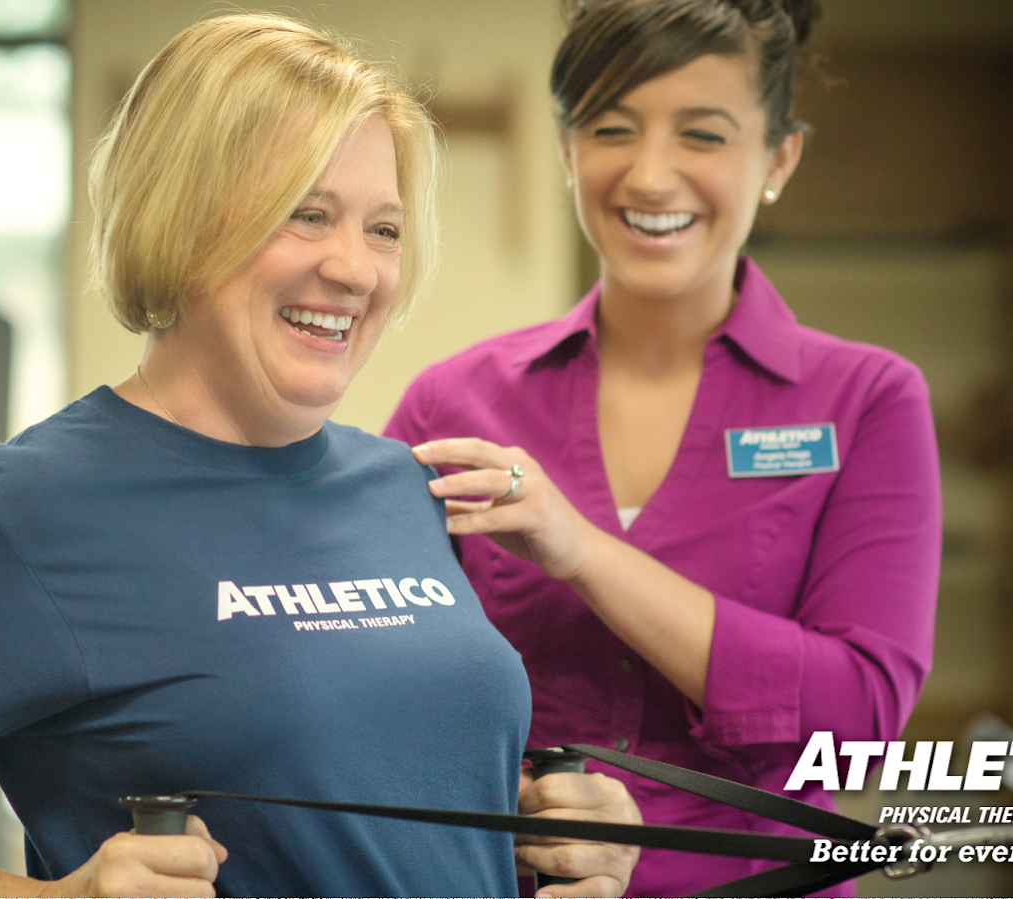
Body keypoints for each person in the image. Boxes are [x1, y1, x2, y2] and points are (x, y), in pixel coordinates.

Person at [0, 14, 640, 898]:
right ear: (184, 218)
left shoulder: (401, 485)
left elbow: (371, 793)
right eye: (306, 214)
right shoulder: (26, 511)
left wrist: (545, 831)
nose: (356, 268)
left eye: (382, 229)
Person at [383, 0, 941, 895]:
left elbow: (861, 720)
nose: (649, 176)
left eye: (703, 135)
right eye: (612, 128)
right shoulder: (451, 404)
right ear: (567, 148)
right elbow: (380, 693)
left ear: (779, 159)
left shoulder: (869, 400)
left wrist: (583, 552)